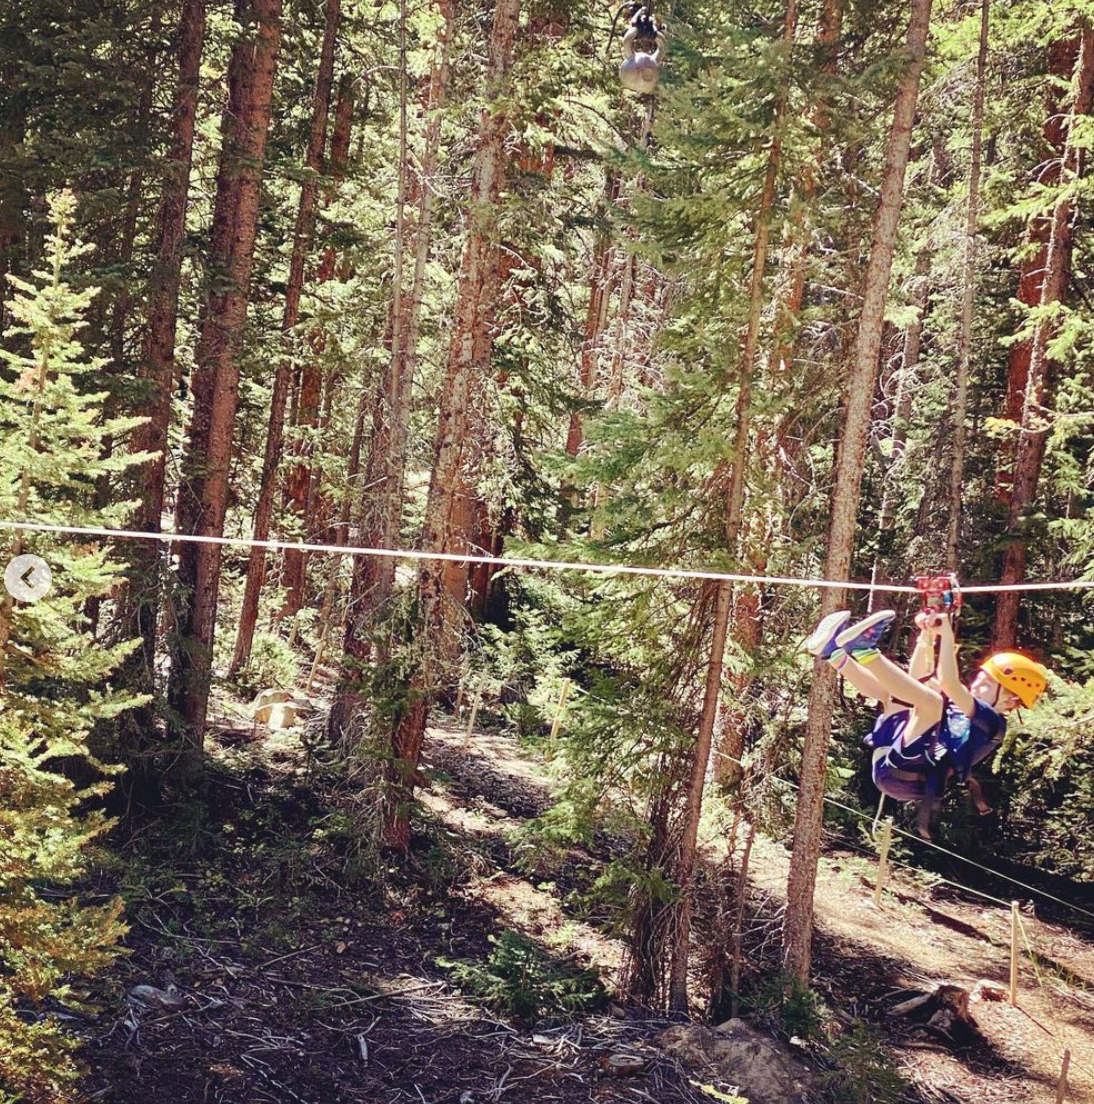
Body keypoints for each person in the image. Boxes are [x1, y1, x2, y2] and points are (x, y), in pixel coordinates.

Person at [803, 608, 1049, 838]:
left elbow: (949, 683)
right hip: (895, 764)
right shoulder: (968, 707)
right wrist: (927, 637)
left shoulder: (991, 722)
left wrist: (946, 634)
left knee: (931, 702)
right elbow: (918, 681)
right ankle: (832, 653)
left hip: (910, 776)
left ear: (1010, 701)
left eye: (986, 685)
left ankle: (865, 651)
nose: (975, 686)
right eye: (978, 679)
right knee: (898, 695)